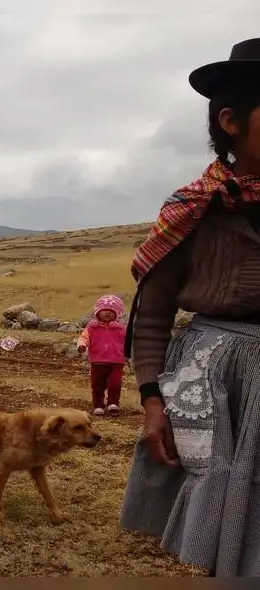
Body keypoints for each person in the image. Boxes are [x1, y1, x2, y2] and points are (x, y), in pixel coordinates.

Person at [119, 38, 260, 578]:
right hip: (216, 380)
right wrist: (153, 402)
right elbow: (153, 316)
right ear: (230, 120)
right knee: (225, 525)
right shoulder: (193, 209)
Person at [76, 295, 128, 416]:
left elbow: (128, 342)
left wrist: (130, 354)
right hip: (97, 362)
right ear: (97, 311)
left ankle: (113, 403)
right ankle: (98, 405)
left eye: (112, 310)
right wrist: (82, 345)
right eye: (104, 309)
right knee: (97, 385)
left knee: (115, 384)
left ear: (117, 314)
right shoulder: (92, 327)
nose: (108, 312)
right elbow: (84, 337)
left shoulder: (121, 329)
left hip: (116, 363)